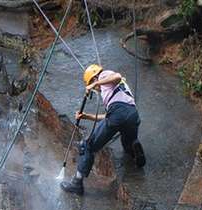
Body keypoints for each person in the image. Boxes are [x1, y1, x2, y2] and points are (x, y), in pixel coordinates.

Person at [61, 64, 145, 195]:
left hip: (118, 114)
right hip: (132, 115)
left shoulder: (104, 75)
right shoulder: (119, 89)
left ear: (94, 78)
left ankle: (77, 183)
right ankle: (134, 147)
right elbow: (109, 117)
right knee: (127, 141)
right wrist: (86, 116)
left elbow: (116, 76)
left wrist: (94, 84)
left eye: (95, 86)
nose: (98, 90)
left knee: (88, 146)